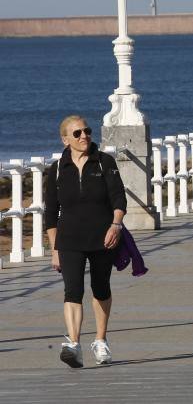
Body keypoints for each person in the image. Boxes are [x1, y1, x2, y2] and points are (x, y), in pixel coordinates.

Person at [45, 115, 127, 368]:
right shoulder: (58, 169)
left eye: (87, 131)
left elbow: (119, 199)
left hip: (103, 237)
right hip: (69, 239)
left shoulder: (104, 162)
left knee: (101, 287)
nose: (84, 136)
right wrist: (54, 249)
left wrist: (116, 225)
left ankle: (100, 341)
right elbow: (50, 213)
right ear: (65, 139)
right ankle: (73, 344)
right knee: (73, 290)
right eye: (77, 133)